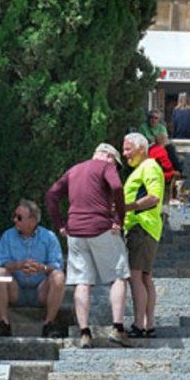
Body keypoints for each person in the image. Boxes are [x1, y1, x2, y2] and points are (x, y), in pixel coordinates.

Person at [47, 144, 131, 348]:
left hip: (75, 232)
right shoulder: (106, 166)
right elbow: (117, 187)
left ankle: (84, 333)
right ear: (108, 156)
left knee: (82, 282)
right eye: (116, 164)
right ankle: (117, 328)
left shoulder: (74, 169)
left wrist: (60, 224)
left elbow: (52, 195)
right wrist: (119, 219)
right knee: (118, 276)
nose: (115, 168)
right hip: (101, 228)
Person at [0, 199, 67, 338]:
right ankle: (4, 323)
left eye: (19, 217)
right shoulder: (7, 236)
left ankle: (49, 324)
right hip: (15, 290)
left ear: (32, 220)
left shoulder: (49, 237)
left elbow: (57, 265)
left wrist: (41, 267)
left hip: (42, 291)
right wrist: (18, 265)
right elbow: (1, 263)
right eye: (14, 216)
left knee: (59, 276)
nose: (15, 220)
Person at [121, 133, 165, 338]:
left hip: (141, 227)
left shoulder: (149, 167)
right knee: (145, 277)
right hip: (146, 228)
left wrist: (127, 207)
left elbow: (154, 196)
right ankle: (149, 324)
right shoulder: (143, 168)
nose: (124, 154)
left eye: (128, 149)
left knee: (136, 276)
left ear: (141, 149)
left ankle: (139, 324)